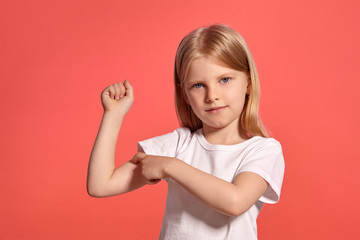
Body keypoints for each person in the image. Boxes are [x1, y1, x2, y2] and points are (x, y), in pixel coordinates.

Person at [87, 24, 285, 240]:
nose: (212, 95)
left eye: (224, 80)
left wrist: (170, 166)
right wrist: (113, 115)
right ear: (184, 94)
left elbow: (235, 202)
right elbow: (100, 185)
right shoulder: (179, 144)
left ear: (247, 82)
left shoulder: (263, 150)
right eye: (198, 85)